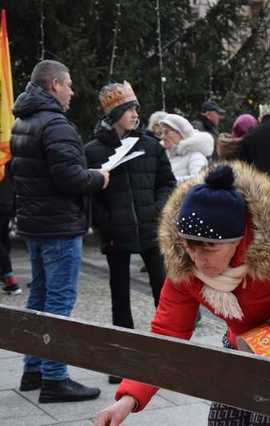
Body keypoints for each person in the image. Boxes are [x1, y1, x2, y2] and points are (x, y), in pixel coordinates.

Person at [95, 163, 270, 426]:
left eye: (210, 248)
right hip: (245, 342)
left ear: (239, 239)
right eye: (190, 246)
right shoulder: (184, 265)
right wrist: (128, 398)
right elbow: (167, 334)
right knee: (224, 420)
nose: (198, 259)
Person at [10, 60, 109, 403]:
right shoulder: (56, 125)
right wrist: (99, 177)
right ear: (53, 85)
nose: (72, 91)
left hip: (35, 225)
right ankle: (55, 379)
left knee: (39, 297)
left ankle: (33, 369)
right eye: (68, 85)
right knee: (58, 301)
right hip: (58, 226)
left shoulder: (22, 120)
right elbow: (70, 180)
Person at [84, 81, 177, 383]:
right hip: (116, 234)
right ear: (115, 114)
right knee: (120, 297)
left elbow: (167, 182)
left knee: (162, 293)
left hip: (151, 230)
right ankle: (122, 361)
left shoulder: (150, 145)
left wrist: (157, 209)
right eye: (129, 109)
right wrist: (106, 225)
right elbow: (91, 196)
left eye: (136, 108)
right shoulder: (94, 150)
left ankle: (167, 356)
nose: (136, 113)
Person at [160, 113, 213, 183]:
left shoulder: (196, 156)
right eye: (161, 133)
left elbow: (199, 180)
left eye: (166, 132)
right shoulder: (164, 156)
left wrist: (168, 182)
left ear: (181, 133)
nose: (162, 137)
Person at [0, 167, 19, 295]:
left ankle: (10, 280)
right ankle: (6, 278)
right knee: (3, 238)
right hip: (7, 202)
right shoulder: (8, 153)